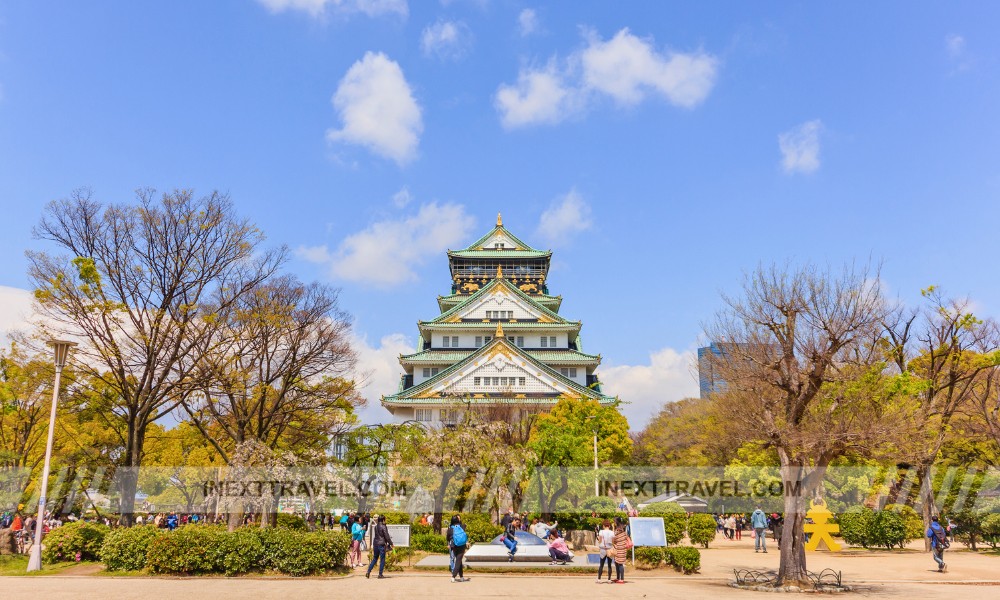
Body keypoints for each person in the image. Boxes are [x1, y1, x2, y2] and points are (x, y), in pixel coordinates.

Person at [365, 515, 393, 579]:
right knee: (382, 559)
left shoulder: (376, 526)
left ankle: (368, 571)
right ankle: (380, 574)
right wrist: (391, 543)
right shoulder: (383, 526)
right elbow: (386, 536)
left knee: (375, 558)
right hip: (381, 544)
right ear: (383, 520)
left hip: (375, 543)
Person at [447, 514, 469, 582]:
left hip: (454, 546)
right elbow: (464, 527)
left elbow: (448, 537)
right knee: (458, 561)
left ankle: (461, 577)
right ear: (458, 520)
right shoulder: (462, 527)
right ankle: (453, 576)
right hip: (461, 545)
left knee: (459, 561)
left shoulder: (450, 528)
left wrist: (448, 543)